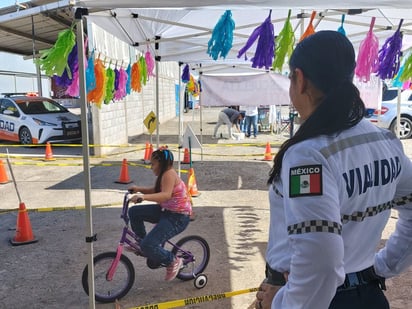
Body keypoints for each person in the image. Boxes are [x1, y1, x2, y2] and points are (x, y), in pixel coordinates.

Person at [255, 30, 412, 309]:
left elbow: (321, 259)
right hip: (367, 295)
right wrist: (385, 265)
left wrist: (282, 304)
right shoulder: (385, 141)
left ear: (300, 80)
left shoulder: (307, 155)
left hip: (318, 299)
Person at [127, 147, 192, 281]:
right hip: (166, 211)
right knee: (134, 212)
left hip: (178, 217)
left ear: (161, 164)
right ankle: (141, 241)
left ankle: (172, 261)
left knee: (148, 245)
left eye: (153, 164)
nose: (151, 167)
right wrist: (138, 189)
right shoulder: (164, 175)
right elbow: (156, 190)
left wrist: (143, 197)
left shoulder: (168, 174)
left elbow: (165, 195)